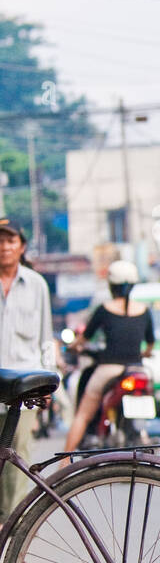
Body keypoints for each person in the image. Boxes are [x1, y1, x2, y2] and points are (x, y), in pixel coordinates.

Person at [62, 260, 155, 452]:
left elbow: (83, 338)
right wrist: (144, 353)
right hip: (137, 368)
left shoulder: (104, 309)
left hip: (108, 368)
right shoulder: (144, 310)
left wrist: (73, 347)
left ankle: (64, 463)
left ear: (111, 285)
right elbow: (151, 342)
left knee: (82, 415)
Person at [0, 218, 56, 520]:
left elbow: (45, 336)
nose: (4, 247)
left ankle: (12, 528)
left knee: (16, 460)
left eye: (10, 241)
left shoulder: (36, 284)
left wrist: (49, 381)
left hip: (22, 386)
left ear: (21, 246)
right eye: (0, 241)